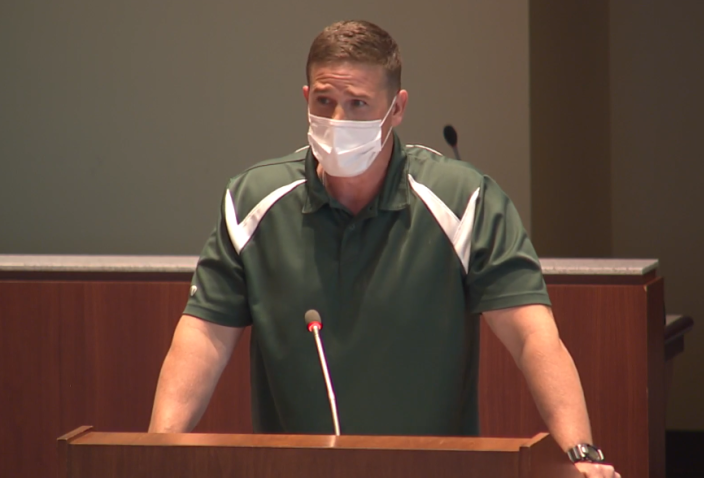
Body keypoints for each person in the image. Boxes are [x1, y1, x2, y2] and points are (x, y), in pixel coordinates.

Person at [149, 20, 619, 478]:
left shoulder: (464, 200)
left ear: (396, 109)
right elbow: (202, 339)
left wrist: (581, 454)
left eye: (358, 104)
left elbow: (533, 336)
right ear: (307, 99)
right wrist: (156, 452)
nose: (338, 121)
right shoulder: (253, 200)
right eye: (326, 101)